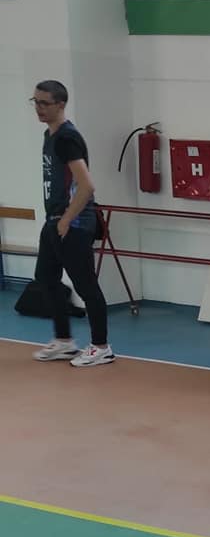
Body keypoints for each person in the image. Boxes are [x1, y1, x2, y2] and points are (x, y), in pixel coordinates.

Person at [29, 80, 114, 367]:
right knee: (46, 277)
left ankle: (101, 347)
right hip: (54, 220)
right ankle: (64, 341)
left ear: (61, 104)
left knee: (85, 285)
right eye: (35, 102)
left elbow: (86, 185)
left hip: (73, 222)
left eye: (44, 103)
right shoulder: (50, 135)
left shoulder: (67, 138)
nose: (39, 108)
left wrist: (66, 219)